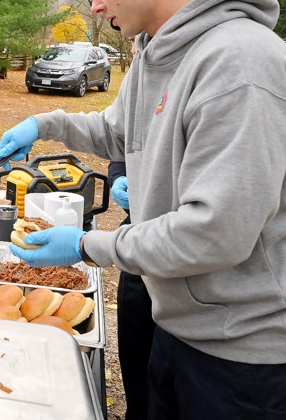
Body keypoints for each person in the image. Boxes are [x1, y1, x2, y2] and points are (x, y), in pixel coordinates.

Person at [0, 0, 286, 419]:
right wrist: (45, 124)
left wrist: (90, 245)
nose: (94, 4)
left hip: (261, 360)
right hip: (184, 329)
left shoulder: (239, 63)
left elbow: (217, 232)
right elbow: (119, 132)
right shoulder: (153, 51)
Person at [108, 160, 156, 420]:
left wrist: (93, 246)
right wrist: (118, 175)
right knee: (135, 351)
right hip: (136, 251)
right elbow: (122, 148)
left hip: (190, 267)